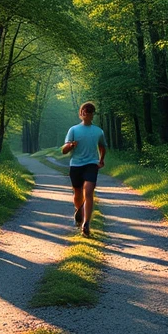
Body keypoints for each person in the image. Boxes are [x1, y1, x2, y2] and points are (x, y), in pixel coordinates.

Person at [62, 102, 106, 237]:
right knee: (78, 192)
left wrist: (101, 159)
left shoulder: (98, 131)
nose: (86, 114)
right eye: (84, 111)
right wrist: (71, 145)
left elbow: (103, 146)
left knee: (89, 192)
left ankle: (86, 224)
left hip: (91, 164)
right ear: (81, 113)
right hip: (76, 164)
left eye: (89, 111)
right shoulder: (73, 130)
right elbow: (64, 150)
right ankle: (79, 211)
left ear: (93, 114)